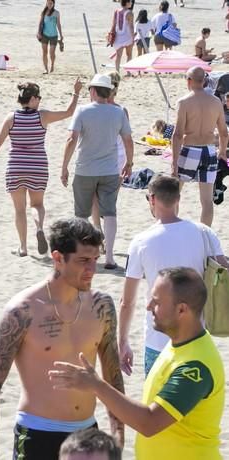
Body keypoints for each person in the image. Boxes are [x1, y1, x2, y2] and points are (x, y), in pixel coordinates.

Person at [0, 218, 125, 460]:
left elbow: (113, 374)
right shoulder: (23, 311)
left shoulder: (102, 306)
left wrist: (118, 434)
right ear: (58, 258)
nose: (92, 270)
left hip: (88, 435)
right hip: (38, 433)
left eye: (95, 260)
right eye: (83, 261)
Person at [49, 267, 225, 460]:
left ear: (181, 309)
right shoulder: (181, 343)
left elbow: (149, 423)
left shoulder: (194, 367)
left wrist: (96, 385)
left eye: (156, 302)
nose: (148, 306)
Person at [119, 174, 228, 377]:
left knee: (154, 405)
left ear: (152, 199)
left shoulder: (141, 242)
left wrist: (123, 341)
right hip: (196, 339)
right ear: (178, 198)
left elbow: (127, 301)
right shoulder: (204, 232)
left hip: (158, 341)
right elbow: (223, 272)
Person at [0, 78, 82, 257]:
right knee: (37, 204)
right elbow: (69, 112)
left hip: (16, 167)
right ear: (33, 99)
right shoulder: (42, 116)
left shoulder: (11, 117)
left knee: (19, 210)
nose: (40, 100)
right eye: (39, 97)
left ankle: (23, 247)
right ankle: (39, 228)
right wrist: (76, 91)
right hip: (38, 167)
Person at [61, 74, 133, 270]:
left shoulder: (83, 111)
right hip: (110, 170)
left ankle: (85, 256)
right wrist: (129, 162)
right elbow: (128, 140)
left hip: (85, 169)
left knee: (82, 214)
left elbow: (71, 140)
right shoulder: (118, 113)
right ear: (108, 92)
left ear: (93, 91)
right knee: (110, 213)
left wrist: (64, 166)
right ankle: (109, 256)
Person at [172, 66, 228, 226]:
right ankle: (205, 235)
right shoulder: (216, 102)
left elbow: (177, 135)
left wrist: (174, 162)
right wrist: (222, 151)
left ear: (189, 81)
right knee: (207, 200)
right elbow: (224, 132)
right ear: (204, 81)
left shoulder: (184, 102)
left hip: (190, 149)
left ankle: (173, 228)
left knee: (175, 194)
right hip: (209, 150)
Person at [90, 72, 128, 240]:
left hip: (98, 157)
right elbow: (127, 138)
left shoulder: (94, 108)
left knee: (95, 199)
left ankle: (98, 233)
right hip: (119, 158)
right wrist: (130, 162)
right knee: (110, 199)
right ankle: (105, 231)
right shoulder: (121, 110)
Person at [37, 0, 63, 74]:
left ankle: (52, 65)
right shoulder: (44, 12)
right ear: (46, 3)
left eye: (51, 3)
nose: (49, 5)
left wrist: (61, 35)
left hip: (54, 35)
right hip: (44, 34)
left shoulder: (56, 13)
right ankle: (45, 69)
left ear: (53, 4)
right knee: (44, 52)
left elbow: (58, 24)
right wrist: (39, 33)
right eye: (48, 3)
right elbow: (40, 23)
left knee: (52, 53)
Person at [111, 0, 134, 73]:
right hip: (127, 36)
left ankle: (117, 72)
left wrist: (112, 33)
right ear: (126, 2)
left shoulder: (116, 11)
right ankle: (128, 72)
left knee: (118, 55)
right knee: (129, 54)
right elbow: (131, 26)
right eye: (130, 1)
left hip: (118, 35)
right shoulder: (130, 13)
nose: (131, 3)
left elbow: (113, 24)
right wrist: (133, 37)